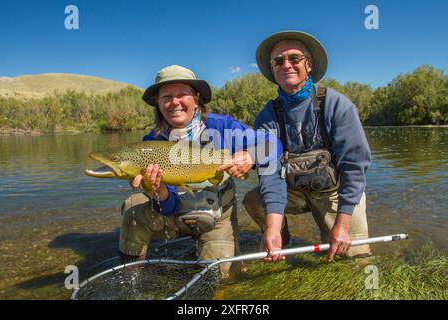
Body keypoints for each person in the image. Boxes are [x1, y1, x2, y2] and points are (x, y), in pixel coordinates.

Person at [119, 65, 271, 276]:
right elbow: (168, 206)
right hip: (173, 216)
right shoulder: (151, 143)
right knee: (132, 211)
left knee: (221, 277)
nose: (174, 102)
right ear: (158, 103)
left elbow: (272, 145)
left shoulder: (221, 126)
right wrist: (158, 191)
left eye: (182, 94)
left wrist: (251, 156)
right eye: (166, 97)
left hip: (216, 219)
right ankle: (131, 275)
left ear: (197, 99)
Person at [243, 30, 372, 262]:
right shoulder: (267, 116)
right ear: (273, 68)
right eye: (278, 61)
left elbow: (355, 168)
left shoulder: (337, 105)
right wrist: (272, 229)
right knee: (253, 200)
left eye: (294, 58)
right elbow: (270, 173)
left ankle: (335, 227)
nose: (286, 65)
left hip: (334, 192)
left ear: (308, 64)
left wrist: (342, 225)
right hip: (295, 191)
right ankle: (280, 239)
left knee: (354, 260)